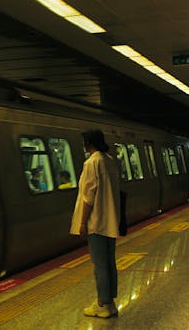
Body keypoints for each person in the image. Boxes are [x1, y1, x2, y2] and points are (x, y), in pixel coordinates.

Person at [70, 129, 121, 318]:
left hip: (96, 222)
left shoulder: (92, 162)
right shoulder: (108, 160)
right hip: (109, 220)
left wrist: (83, 223)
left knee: (100, 265)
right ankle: (110, 302)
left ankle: (102, 304)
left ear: (89, 142)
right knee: (109, 263)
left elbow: (88, 196)